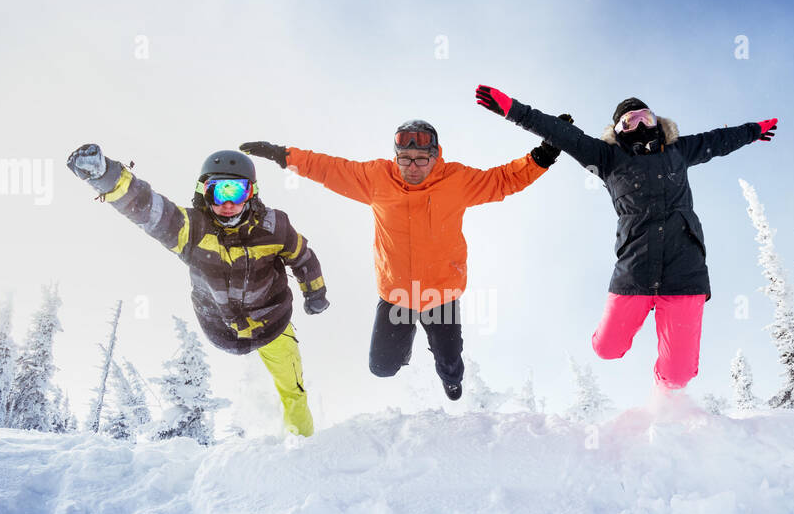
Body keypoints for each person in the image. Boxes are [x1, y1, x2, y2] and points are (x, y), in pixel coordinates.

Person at [239, 118, 568, 400]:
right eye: (404, 159)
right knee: (381, 368)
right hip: (396, 293)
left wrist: (544, 154)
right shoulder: (376, 178)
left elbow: (504, 180)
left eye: (421, 159)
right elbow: (327, 168)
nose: (412, 167)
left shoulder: (457, 181)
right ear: (395, 157)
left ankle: (451, 381)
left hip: (441, 294)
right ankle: (406, 342)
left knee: (451, 367)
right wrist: (282, 155)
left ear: (435, 156)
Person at [475, 85, 777, 391]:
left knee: (678, 376)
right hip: (635, 269)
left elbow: (719, 140)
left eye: (646, 117)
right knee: (606, 349)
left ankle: (665, 402)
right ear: (617, 131)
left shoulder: (678, 150)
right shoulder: (606, 158)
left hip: (684, 270)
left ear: (658, 122)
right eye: (630, 122)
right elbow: (562, 134)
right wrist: (513, 109)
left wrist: (752, 131)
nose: (641, 125)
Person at [66, 144, 327, 437]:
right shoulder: (192, 230)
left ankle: (302, 445)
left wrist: (315, 292)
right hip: (222, 328)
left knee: (293, 390)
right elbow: (148, 208)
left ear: (251, 193)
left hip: (272, 324)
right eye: (218, 192)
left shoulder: (275, 227)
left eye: (236, 192)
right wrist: (107, 177)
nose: (228, 204)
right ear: (205, 192)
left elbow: (303, 256)